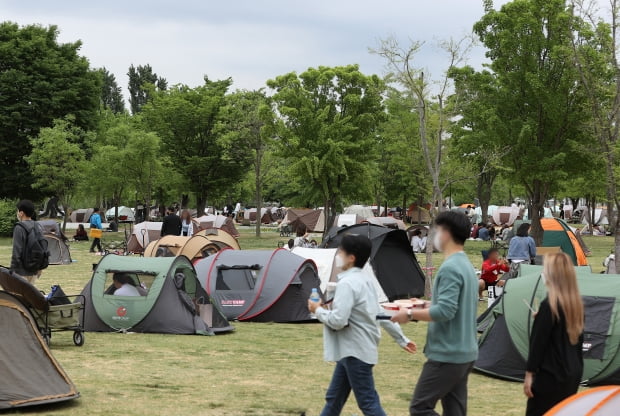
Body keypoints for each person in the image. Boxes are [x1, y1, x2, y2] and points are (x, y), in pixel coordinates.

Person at [308, 234, 416, 416]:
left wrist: (317, 310)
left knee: (368, 403)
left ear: (352, 258)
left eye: (341, 251)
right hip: (352, 350)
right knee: (334, 399)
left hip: (354, 352)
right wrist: (401, 339)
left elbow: (338, 321)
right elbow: (380, 313)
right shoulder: (366, 281)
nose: (338, 255)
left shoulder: (348, 284)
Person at [392, 211, 478, 416]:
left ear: (446, 233)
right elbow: (456, 304)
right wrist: (423, 304)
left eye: (436, 230)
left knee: (420, 408)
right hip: (465, 352)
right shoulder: (466, 265)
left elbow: (446, 311)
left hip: (447, 353)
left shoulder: (450, 268)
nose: (434, 235)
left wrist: (410, 314)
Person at [524, 252, 584, 415]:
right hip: (572, 374)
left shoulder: (549, 305)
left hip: (550, 375)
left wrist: (529, 374)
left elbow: (538, 343)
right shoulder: (576, 305)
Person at [11, 200, 45, 284]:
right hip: (34, 269)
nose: (17, 213)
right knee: (28, 295)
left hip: (21, 271)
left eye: (18, 211)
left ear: (21, 213)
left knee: (17, 296)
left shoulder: (19, 227)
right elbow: (43, 247)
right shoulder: (37, 225)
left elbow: (17, 250)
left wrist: (13, 270)